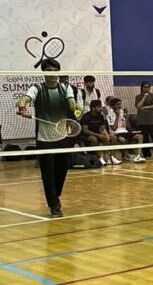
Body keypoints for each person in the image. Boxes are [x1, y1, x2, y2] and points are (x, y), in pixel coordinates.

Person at [15, 58, 76, 217]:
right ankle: (54, 205)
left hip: (62, 138)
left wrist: (76, 108)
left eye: (56, 71)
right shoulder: (37, 88)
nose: (53, 74)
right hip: (44, 140)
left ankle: (55, 196)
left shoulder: (65, 88)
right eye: (49, 71)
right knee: (48, 175)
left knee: (61, 172)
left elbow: (71, 103)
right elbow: (24, 99)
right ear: (44, 73)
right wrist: (22, 107)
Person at [81, 99, 119, 165]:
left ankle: (112, 157)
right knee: (94, 139)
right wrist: (98, 135)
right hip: (87, 135)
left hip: (98, 134)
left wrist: (106, 135)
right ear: (93, 108)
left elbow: (102, 128)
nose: (101, 108)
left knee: (113, 137)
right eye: (99, 107)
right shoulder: (86, 116)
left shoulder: (101, 116)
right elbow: (85, 131)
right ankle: (100, 158)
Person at [107, 98, 145, 163]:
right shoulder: (109, 115)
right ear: (113, 106)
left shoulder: (122, 113)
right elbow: (114, 128)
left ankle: (137, 156)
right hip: (116, 133)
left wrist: (126, 118)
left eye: (120, 104)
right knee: (122, 140)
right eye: (117, 104)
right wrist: (117, 116)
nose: (120, 106)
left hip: (124, 132)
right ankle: (125, 155)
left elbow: (127, 128)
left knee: (140, 136)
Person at [135, 81, 153, 158]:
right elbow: (138, 106)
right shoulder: (138, 97)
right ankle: (147, 154)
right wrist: (144, 97)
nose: (147, 89)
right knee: (145, 138)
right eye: (145, 87)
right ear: (142, 88)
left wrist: (145, 107)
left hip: (152, 120)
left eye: (148, 87)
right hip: (142, 121)